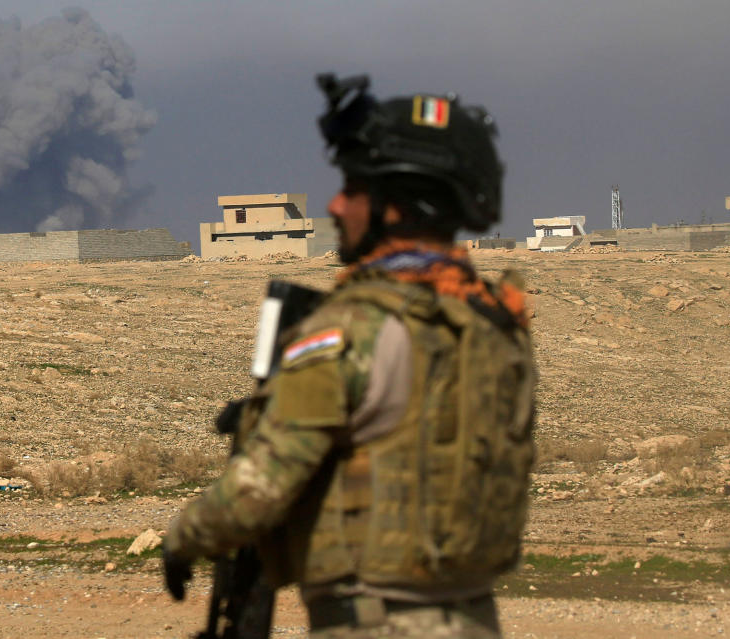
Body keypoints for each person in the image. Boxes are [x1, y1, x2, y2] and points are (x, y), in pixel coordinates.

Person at [163, 73, 535, 638]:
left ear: (398, 205)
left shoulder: (355, 326)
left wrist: (185, 536)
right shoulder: (494, 323)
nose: (336, 204)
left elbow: (260, 489)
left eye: (355, 187)